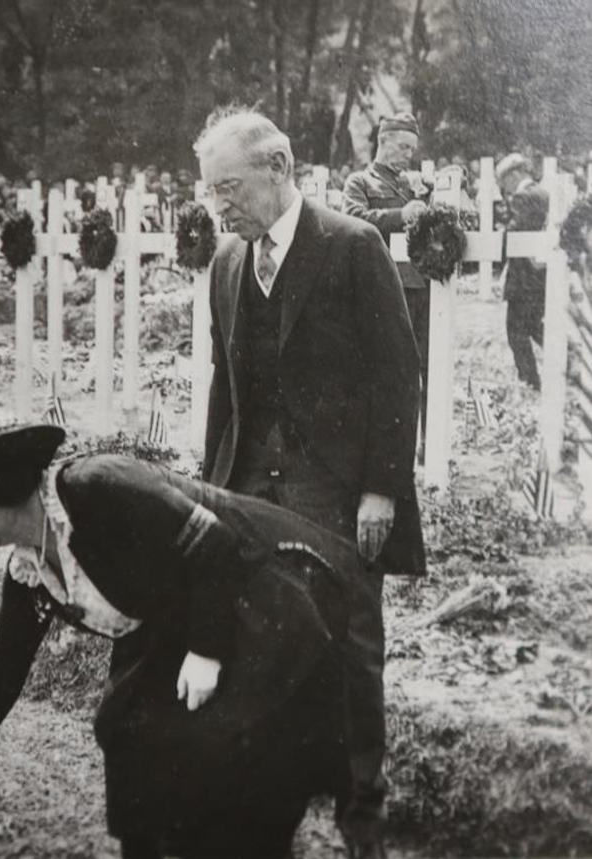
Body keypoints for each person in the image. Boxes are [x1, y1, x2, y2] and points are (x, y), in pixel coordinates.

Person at [0, 410, 374, 859]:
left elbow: (214, 543)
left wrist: (206, 652)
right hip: (192, 616)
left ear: (4, 482)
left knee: (230, 768)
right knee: (127, 731)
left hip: (271, 604)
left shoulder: (96, 486)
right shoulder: (29, 571)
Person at [195, 107, 426, 859]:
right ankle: (271, 824)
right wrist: (211, 497)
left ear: (279, 166)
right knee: (260, 649)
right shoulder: (227, 263)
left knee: (353, 653)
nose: (218, 205)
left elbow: (396, 378)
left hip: (337, 495)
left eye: (227, 187)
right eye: (209, 193)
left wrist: (381, 491)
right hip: (253, 494)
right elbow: (223, 394)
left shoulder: (352, 246)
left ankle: (364, 825)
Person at [342, 112, 433, 425]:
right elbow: (353, 220)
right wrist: (401, 215)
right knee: (388, 367)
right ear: (383, 141)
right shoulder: (360, 182)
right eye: (403, 147)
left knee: (428, 366)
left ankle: (425, 441)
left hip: (422, 286)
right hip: (384, 287)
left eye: (412, 149)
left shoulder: (415, 185)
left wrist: (433, 195)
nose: (409, 156)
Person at [495, 152, 549, 390]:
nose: (503, 188)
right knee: (535, 326)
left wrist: (500, 240)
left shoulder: (522, 196)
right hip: (541, 274)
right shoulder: (544, 193)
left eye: (503, 181)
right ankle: (571, 359)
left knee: (516, 330)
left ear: (514, 174)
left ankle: (529, 380)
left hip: (524, 277)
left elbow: (514, 235)